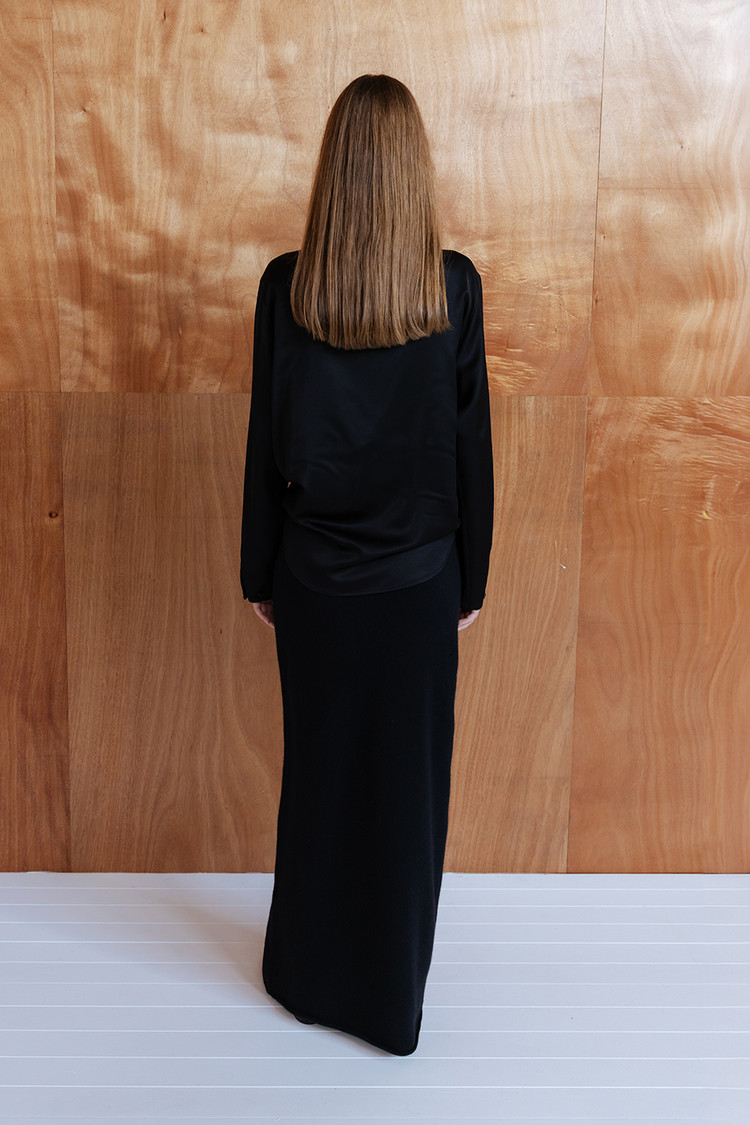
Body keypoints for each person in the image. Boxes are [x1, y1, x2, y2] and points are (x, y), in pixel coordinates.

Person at [240, 73, 493, 1056]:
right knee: (407, 796)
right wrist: (471, 582)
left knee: (321, 779)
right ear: (413, 172)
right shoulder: (452, 287)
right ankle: (390, 1002)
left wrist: (261, 574)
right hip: (419, 584)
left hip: (315, 581)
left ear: (332, 171)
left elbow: (267, 442)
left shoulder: (287, 288)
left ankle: (304, 979)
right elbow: (470, 449)